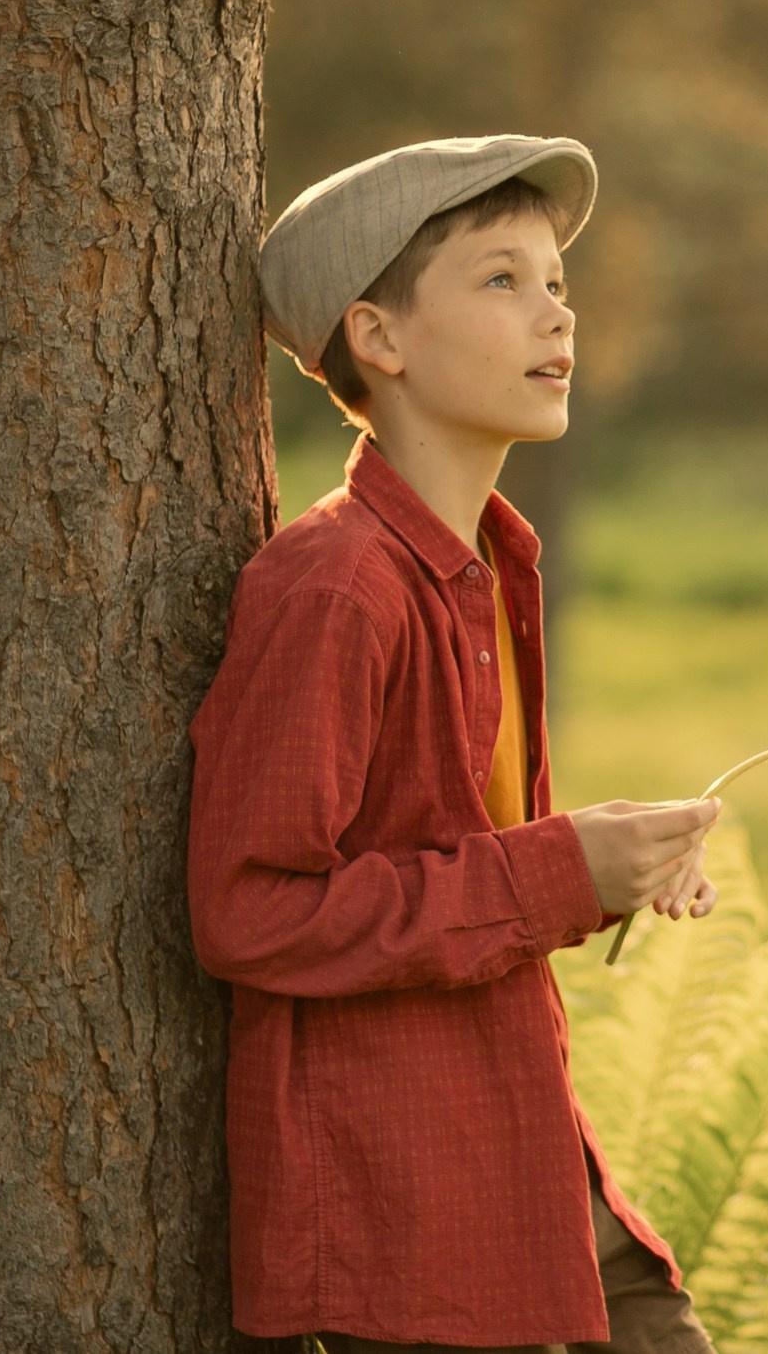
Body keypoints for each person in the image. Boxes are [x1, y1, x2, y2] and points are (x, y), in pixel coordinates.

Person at [187, 135, 724, 1354]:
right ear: (378, 338)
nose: (555, 314)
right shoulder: (333, 588)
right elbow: (248, 910)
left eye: (557, 284)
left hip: (523, 1157)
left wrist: (611, 864)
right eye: (502, 280)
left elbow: (454, 852)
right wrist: (556, 873)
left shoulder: (490, 563)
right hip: (398, 1226)